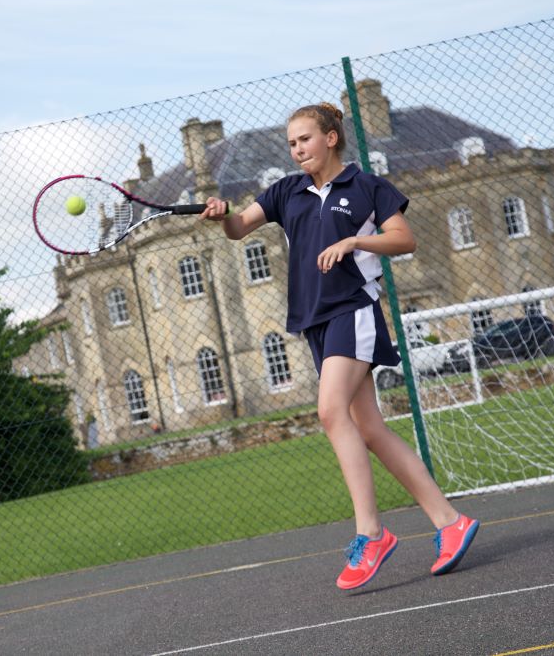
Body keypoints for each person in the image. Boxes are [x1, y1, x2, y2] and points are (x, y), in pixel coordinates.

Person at [200, 102, 479, 590]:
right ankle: (450, 523)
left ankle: (371, 534)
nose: (297, 149)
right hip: (316, 322)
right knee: (369, 428)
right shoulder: (288, 191)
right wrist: (222, 216)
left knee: (332, 413)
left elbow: (404, 239)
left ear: (330, 137)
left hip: (354, 309)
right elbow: (240, 227)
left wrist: (354, 243)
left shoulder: (367, 187)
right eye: (291, 143)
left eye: (304, 139)